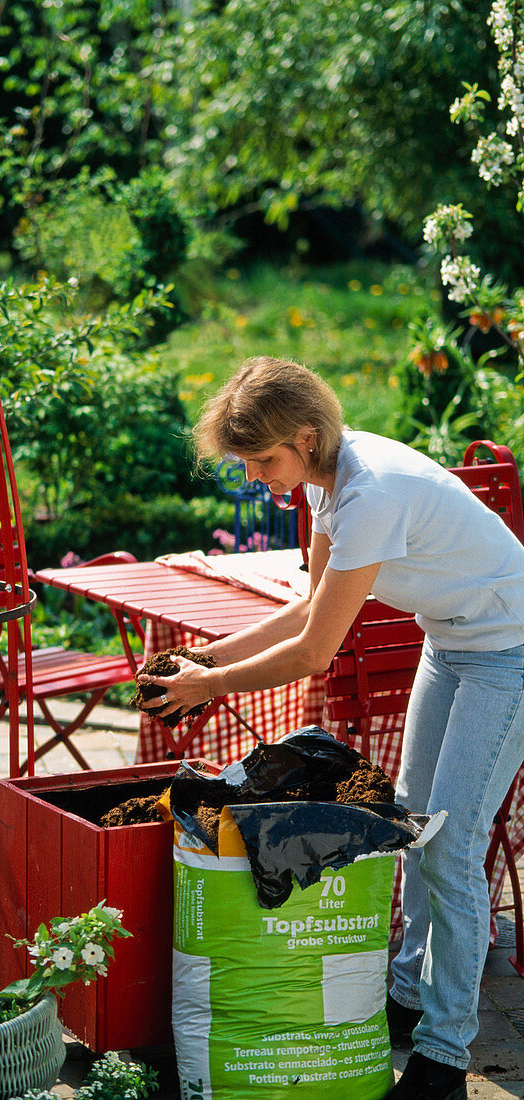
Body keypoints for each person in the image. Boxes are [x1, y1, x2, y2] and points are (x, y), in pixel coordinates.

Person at [137, 356, 524, 1100]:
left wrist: (207, 687)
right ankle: (407, 997)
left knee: (452, 848)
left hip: (508, 654)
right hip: (450, 643)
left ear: (305, 436)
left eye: (262, 460)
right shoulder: (330, 483)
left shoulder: (371, 492)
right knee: (411, 820)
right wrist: (202, 658)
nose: (255, 477)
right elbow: (308, 609)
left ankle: (445, 1055)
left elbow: (316, 652)